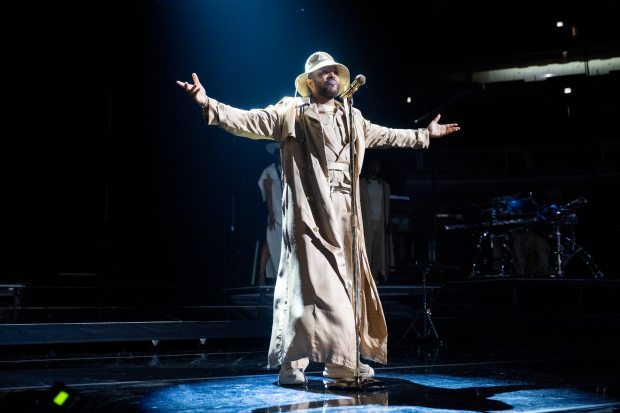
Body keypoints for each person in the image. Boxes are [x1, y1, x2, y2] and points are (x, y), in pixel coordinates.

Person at [176, 51, 460, 385]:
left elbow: (386, 135)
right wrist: (207, 102)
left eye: (334, 72)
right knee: (317, 290)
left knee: (328, 289)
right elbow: (248, 121)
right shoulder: (291, 113)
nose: (331, 77)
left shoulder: (353, 117)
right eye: (323, 73)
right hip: (309, 214)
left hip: (344, 215)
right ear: (309, 81)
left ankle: (313, 363)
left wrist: (424, 135)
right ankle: (328, 365)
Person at [360, 159, 393, 284]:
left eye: (377, 166)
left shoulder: (384, 186)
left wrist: (388, 222)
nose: (375, 168)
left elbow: (388, 205)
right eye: (373, 165)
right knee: (367, 249)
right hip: (366, 221)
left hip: (380, 221)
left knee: (378, 250)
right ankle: (365, 276)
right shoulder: (361, 184)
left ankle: (374, 276)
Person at [256, 142, 283, 286]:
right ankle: (261, 275)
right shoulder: (269, 171)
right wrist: (271, 214)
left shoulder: (287, 170)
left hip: (286, 214)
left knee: (279, 243)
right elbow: (268, 194)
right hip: (275, 213)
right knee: (269, 242)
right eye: (278, 152)